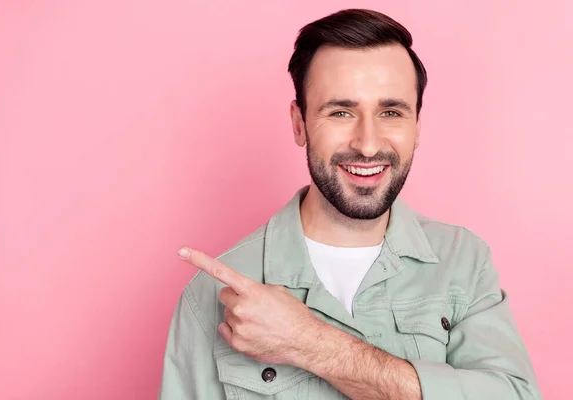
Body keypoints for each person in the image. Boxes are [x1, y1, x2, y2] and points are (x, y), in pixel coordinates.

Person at [158, 8, 541, 400]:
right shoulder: (216, 291)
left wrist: (311, 344)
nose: (368, 144)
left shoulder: (464, 261)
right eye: (341, 112)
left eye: (390, 112)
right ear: (299, 123)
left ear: (417, 127)